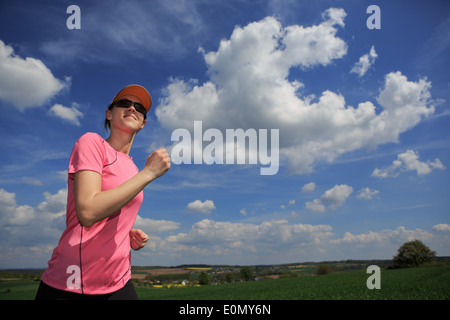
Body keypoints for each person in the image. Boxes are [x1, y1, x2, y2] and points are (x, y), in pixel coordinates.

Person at [35, 85, 171, 300]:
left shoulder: (133, 168)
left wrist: (124, 230)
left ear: (143, 123)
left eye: (139, 107)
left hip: (118, 279)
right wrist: (149, 173)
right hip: (74, 282)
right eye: (124, 103)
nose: (132, 108)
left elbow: (110, 206)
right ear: (109, 114)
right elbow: (88, 212)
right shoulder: (92, 143)